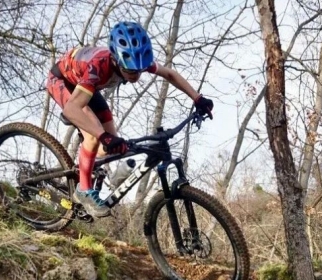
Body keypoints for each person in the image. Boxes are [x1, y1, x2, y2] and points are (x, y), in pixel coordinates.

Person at [46, 21, 213, 217]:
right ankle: (83, 190)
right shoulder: (98, 67)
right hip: (63, 81)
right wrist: (100, 134)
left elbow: (169, 73)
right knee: (93, 137)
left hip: (85, 85)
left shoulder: (137, 60)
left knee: (110, 145)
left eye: (140, 70)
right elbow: (72, 109)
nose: (136, 75)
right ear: (116, 60)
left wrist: (197, 98)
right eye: (131, 71)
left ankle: (93, 169)